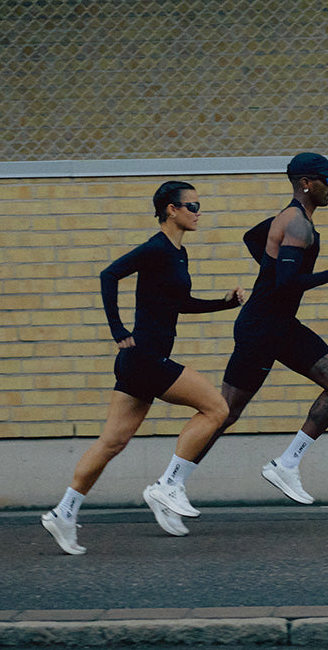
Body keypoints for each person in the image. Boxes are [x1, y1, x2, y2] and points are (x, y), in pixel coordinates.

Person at [42, 181, 245, 555]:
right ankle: (168, 485)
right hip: (147, 357)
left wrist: (224, 304)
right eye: (192, 205)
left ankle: (64, 512)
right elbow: (109, 274)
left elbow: (180, 304)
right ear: (171, 209)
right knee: (217, 408)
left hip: (139, 362)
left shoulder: (177, 254)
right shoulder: (155, 248)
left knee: (112, 442)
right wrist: (118, 330)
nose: (198, 211)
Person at [193, 152, 328, 504]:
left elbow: (253, 238)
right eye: (327, 180)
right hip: (261, 328)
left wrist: (269, 267)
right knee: (225, 412)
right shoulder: (295, 223)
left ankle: (286, 464)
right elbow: (284, 284)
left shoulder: (291, 221)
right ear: (305, 184)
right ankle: (171, 482)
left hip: (281, 326)